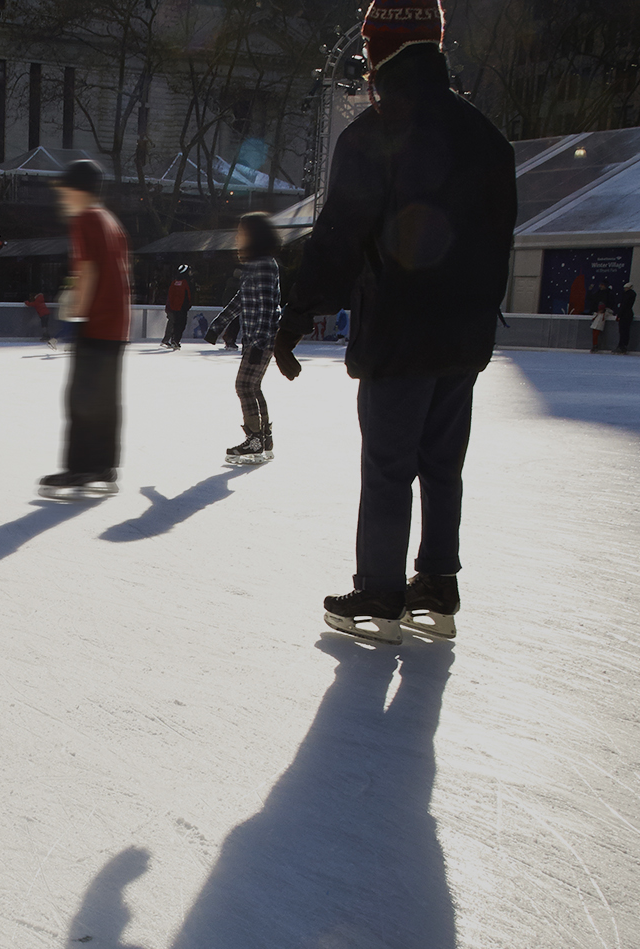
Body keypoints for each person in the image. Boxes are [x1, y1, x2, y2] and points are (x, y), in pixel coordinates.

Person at [270, 0, 515, 645]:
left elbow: (338, 240)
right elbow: (500, 241)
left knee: (387, 466)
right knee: (441, 464)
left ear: (381, 51)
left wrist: (294, 316)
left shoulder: (375, 134)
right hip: (463, 339)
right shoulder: (488, 138)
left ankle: (379, 596)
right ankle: (437, 584)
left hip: (400, 332)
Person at [38, 157, 131, 501]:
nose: (63, 199)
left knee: (81, 398)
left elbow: (89, 270)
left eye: (65, 192)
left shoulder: (86, 220)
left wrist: (77, 309)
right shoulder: (110, 220)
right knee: (106, 399)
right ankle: (105, 466)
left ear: (79, 191)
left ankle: (79, 467)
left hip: (97, 321)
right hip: (118, 325)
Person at [206, 211, 282, 465]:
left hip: (260, 339)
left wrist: (259, 342)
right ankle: (264, 438)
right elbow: (241, 300)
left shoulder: (262, 265)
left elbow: (266, 306)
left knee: (243, 385)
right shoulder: (257, 264)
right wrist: (217, 326)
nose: (238, 237)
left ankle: (255, 440)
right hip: (257, 338)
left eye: (241, 232)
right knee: (252, 386)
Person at [162, 264, 193, 348]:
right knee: (180, 324)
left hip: (174, 307)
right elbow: (188, 295)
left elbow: (171, 295)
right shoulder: (186, 283)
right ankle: (175, 340)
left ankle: (172, 339)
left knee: (174, 324)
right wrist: (188, 305)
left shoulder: (174, 282)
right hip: (182, 308)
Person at [615, 281, 636, 353]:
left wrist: (619, 315)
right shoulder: (632, 295)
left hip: (624, 316)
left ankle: (621, 345)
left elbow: (623, 306)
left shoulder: (626, 296)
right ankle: (624, 345)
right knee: (626, 331)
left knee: (622, 331)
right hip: (628, 315)